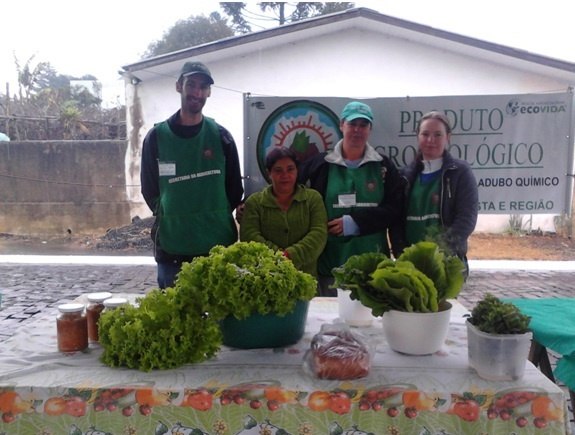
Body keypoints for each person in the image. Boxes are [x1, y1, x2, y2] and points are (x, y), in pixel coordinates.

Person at [140, 61, 244, 289]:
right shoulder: (156, 138)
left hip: (217, 248)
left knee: (220, 319)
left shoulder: (221, 137)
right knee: (175, 318)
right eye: (192, 84)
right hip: (173, 249)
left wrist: (211, 214)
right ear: (179, 86)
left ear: (209, 92)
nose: (197, 92)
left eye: (203, 87)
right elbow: (150, 190)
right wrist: (173, 213)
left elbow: (235, 189)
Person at [297, 101, 403, 296]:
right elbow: (289, 192)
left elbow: (395, 209)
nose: (357, 130)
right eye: (352, 124)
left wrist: (354, 223)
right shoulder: (320, 164)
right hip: (331, 264)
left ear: (370, 129)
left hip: (374, 267)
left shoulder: (383, 165)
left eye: (363, 125)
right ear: (341, 125)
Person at [389, 110, 478, 276]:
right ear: (418, 136)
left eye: (438, 134)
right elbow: (396, 222)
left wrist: (439, 254)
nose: (431, 140)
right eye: (425, 134)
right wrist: (403, 255)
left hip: (446, 264)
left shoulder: (460, 172)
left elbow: (466, 219)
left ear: (448, 137)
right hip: (410, 265)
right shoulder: (404, 176)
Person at [240, 147, 327, 277]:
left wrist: (291, 255)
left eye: (290, 169)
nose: (285, 175)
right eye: (278, 170)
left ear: (297, 171)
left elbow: (319, 233)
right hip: (265, 278)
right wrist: (278, 257)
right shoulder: (254, 202)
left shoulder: (313, 198)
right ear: (269, 173)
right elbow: (249, 236)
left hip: (305, 279)